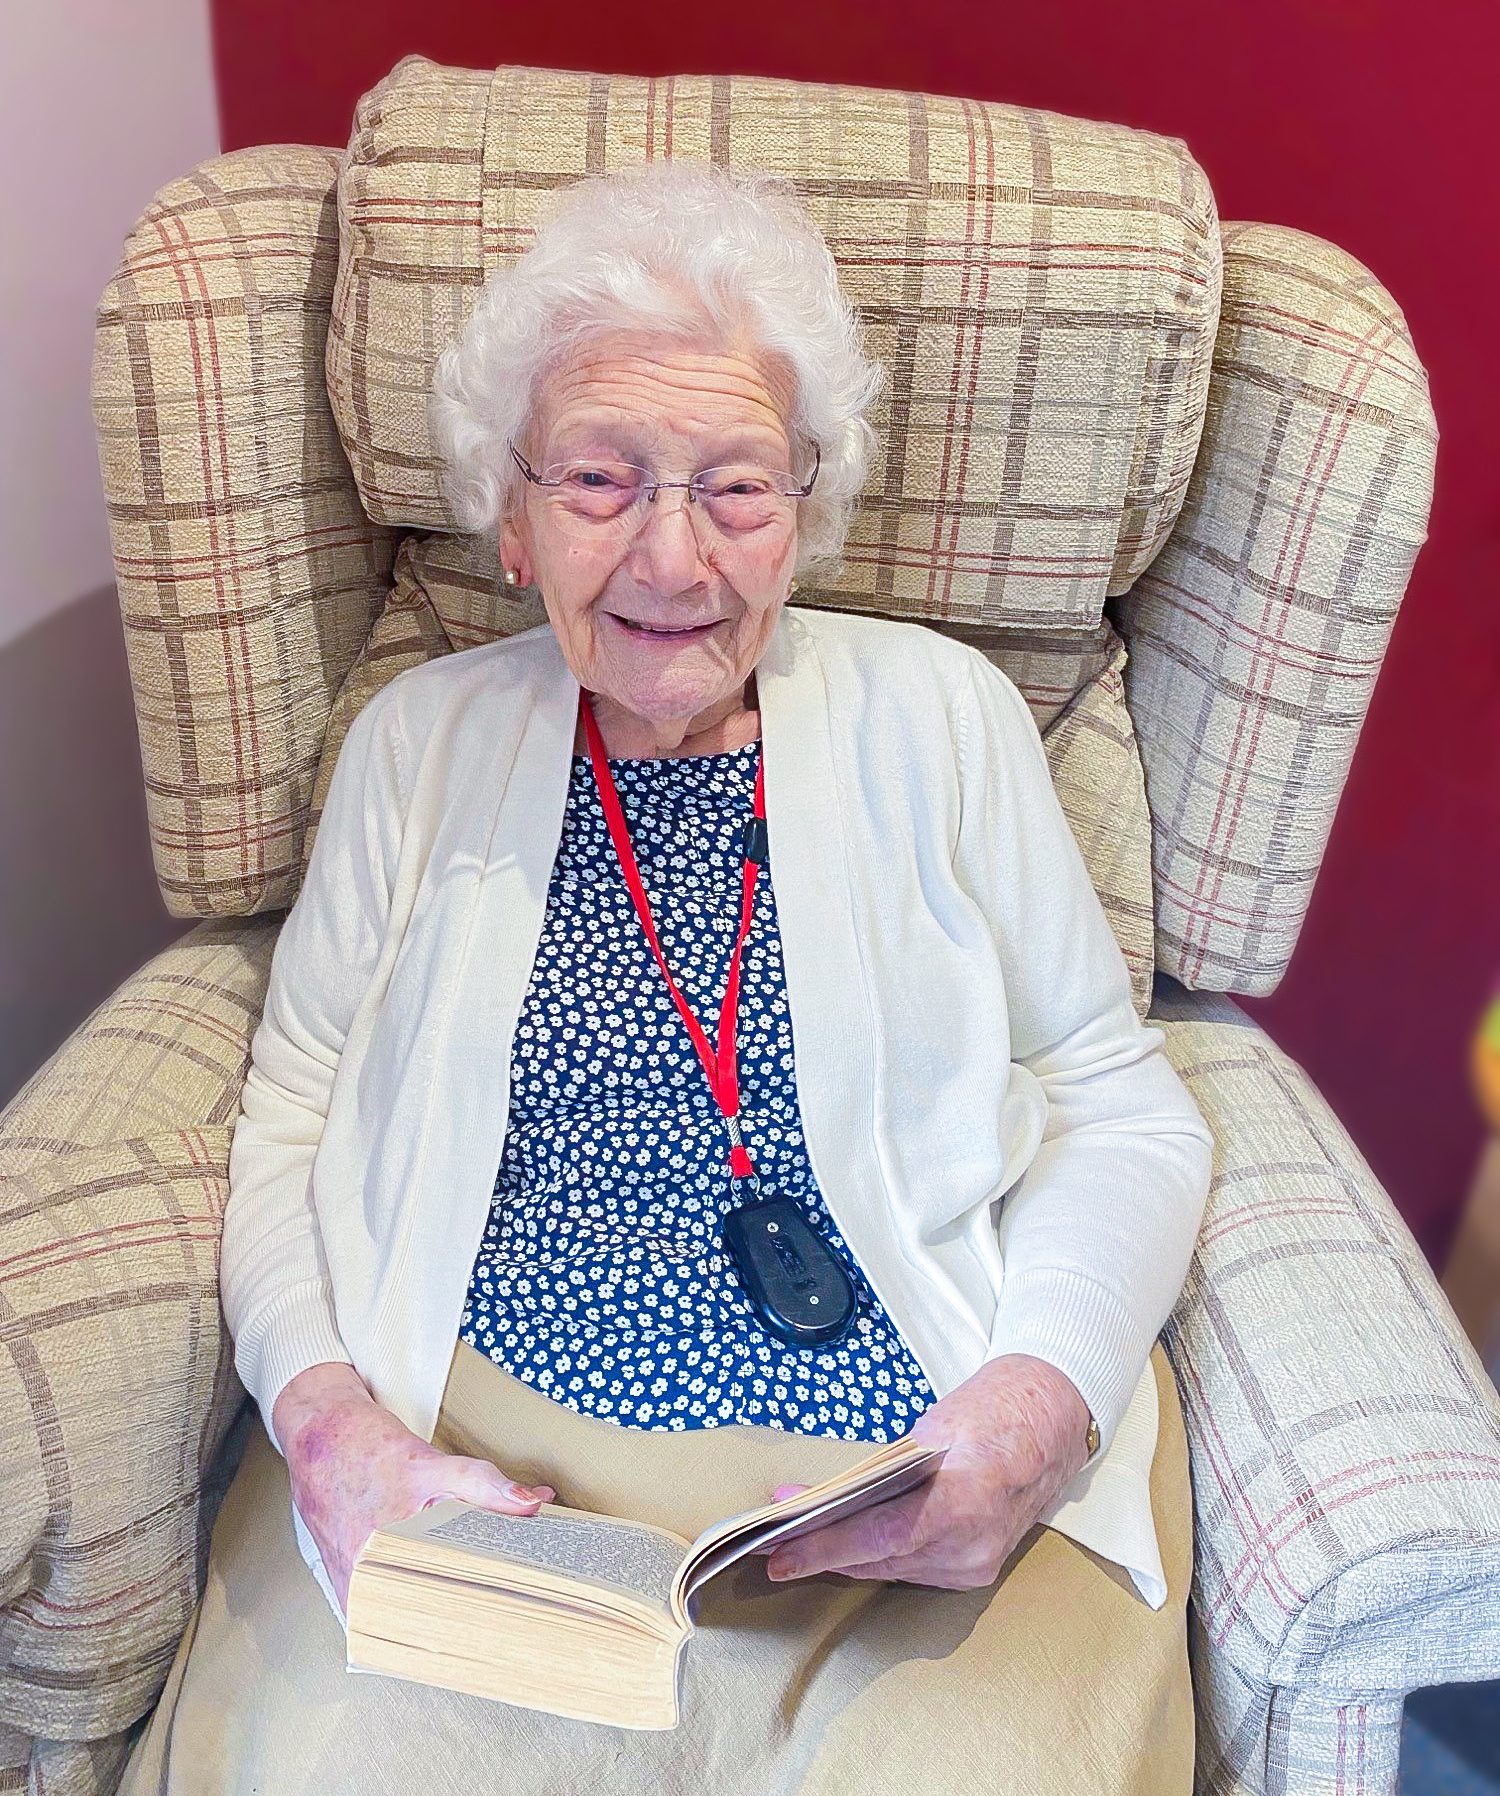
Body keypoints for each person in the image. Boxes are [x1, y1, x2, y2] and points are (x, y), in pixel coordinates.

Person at [118, 160, 1215, 1796]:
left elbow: (1123, 1104)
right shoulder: (416, 749)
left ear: (807, 511)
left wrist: (1036, 1405)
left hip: (902, 1445)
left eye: (737, 487)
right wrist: (336, 1431)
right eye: (600, 479)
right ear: (510, 516)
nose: (672, 557)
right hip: (479, 1463)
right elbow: (284, 1120)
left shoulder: (948, 716)